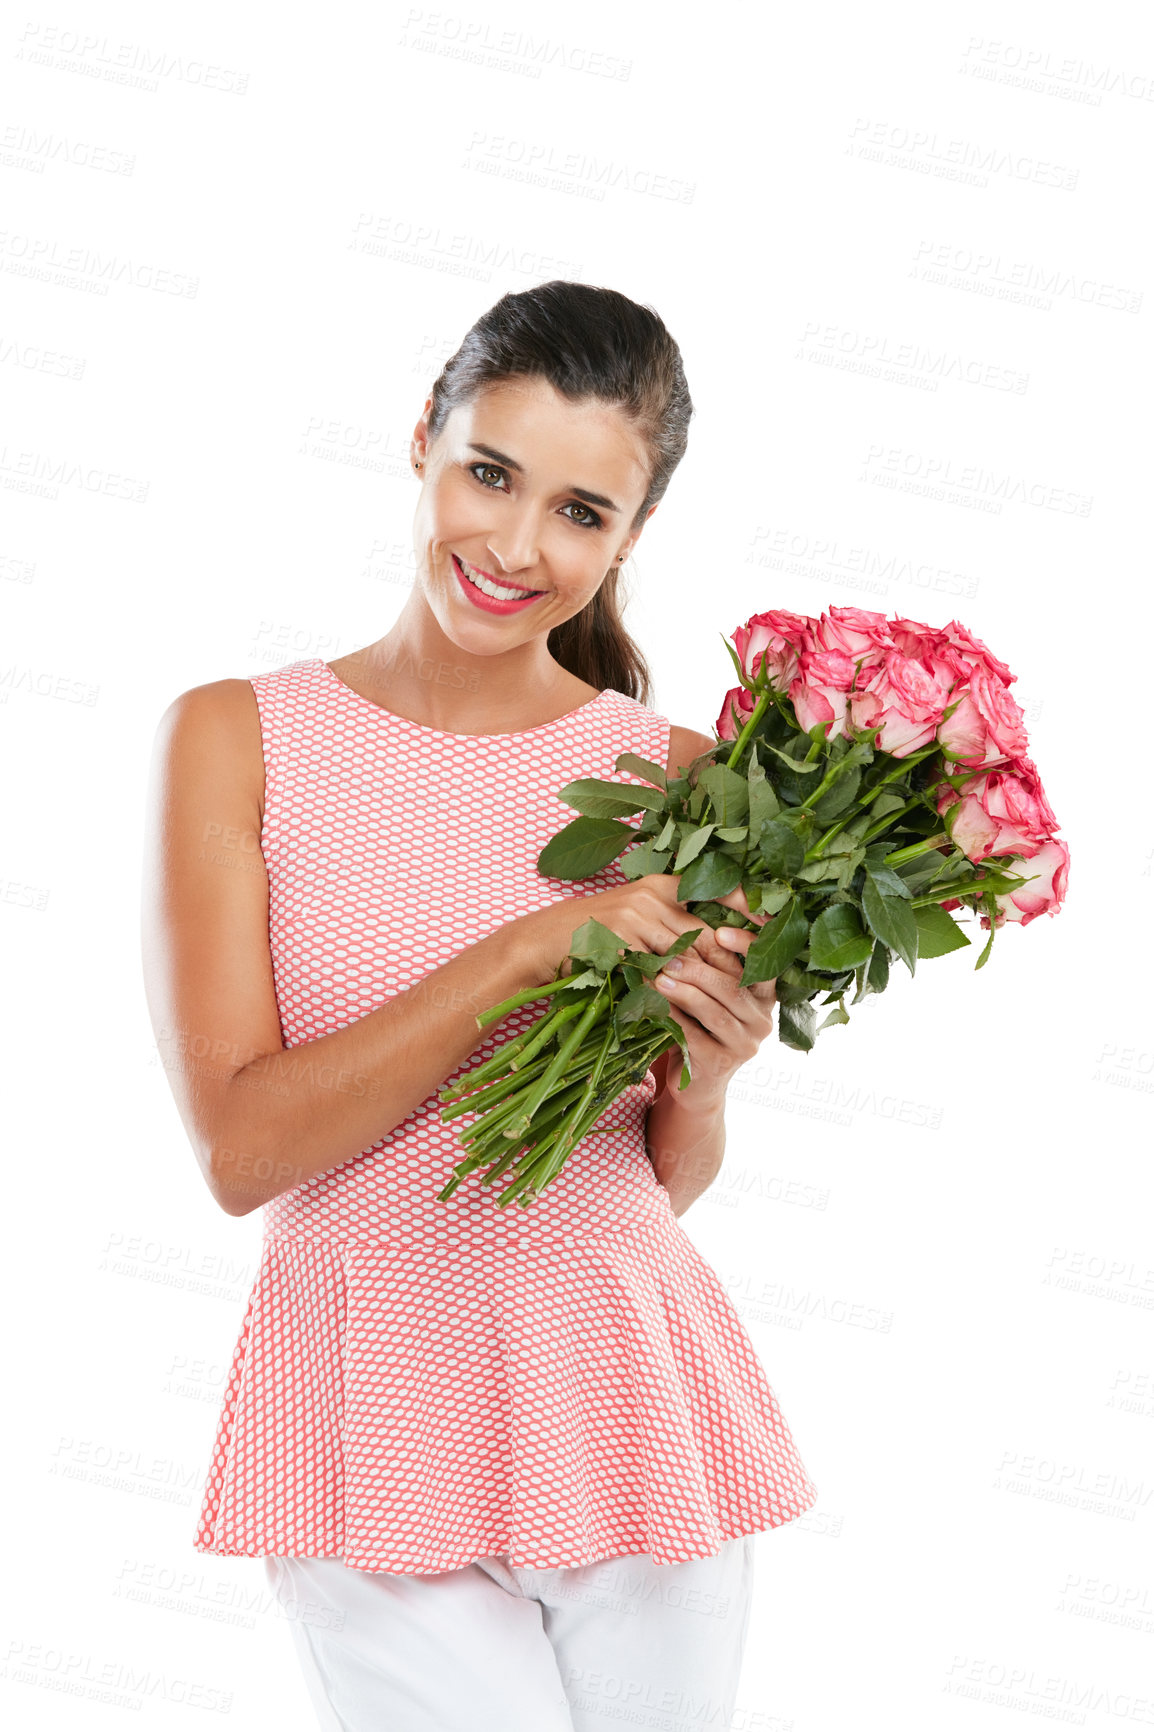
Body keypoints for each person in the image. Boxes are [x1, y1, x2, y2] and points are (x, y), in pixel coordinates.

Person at [141, 280, 819, 1731]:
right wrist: (529, 946)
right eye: (489, 474)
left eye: (580, 512)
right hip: (363, 1401)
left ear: (629, 539)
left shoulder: (681, 779)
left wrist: (705, 1074)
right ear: (420, 445)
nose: (515, 546)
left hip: (627, 1393)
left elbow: (653, 1178)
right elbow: (241, 1152)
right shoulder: (236, 738)